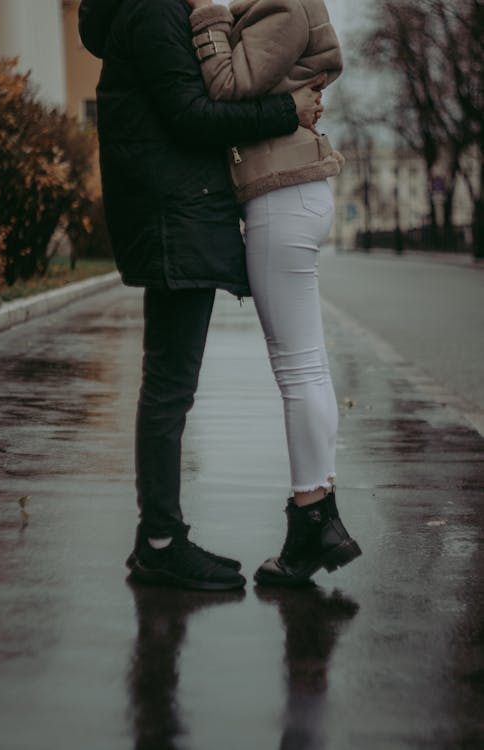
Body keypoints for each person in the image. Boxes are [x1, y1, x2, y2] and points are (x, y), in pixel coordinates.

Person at [78, 0, 323, 591]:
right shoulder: (155, 12)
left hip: (170, 211)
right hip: (173, 215)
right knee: (169, 387)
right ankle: (161, 542)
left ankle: (158, 538)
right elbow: (192, 115)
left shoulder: (139, 15)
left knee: (167, 384)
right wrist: (285, 110)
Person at [185, 0, 362, 585]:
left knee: (298, 369)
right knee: (304, 367)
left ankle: (313, 520)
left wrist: (207, 17)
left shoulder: (286, 7)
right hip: (290, 195)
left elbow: (226, 84)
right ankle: (321, 510)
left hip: (283, 198)